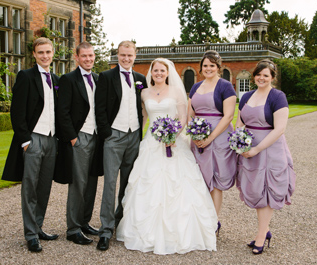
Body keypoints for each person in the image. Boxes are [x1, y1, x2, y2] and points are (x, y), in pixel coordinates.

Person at [115, 58, 217, 255]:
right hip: (151, 144)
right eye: (156, 71)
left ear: (168, 72)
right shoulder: (144, 93)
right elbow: (143, 116)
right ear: (151, 73)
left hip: (173, 143)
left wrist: (173, 136)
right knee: (146, 184)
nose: (159, 73)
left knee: (178, 186)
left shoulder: (177, 91)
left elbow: (183, 118)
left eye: (162, 70)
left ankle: (181, 231)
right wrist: (140, 138)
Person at [2, 37, 60, 252]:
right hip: (33, 138)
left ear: (52, 53)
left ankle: (38, 226)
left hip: (52, 140)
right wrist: (26, 141)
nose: (45, 56)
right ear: (34, 54)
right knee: (30, 188)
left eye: (48, 52)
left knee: (44, 187)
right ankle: (30, 234)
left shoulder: (55, 78)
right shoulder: (25, 76)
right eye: (41, 52)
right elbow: (16, 112)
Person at [236, 59, 297, 254]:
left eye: (266, 75)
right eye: (258, 74)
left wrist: (257, 149)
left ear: (272, 77)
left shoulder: (277, 97)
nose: (261, 78)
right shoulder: (246, 97)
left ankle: (261, 235)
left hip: (270, 149)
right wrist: (240, 143)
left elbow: (280, 128)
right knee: (255, 190)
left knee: (267, 190)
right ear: (254, 76)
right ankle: (266, 230)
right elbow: (239, 124)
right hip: (249, 148)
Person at [94, 40, 148, 251]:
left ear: (135, 56)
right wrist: (107, 134)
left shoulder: (140, 79)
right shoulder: (106, 77)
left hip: (134, 136)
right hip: (113, 137)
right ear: (118, 55)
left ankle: (121, 223)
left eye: (130, 55)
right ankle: (105, 230)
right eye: (122, 55)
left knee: (128, 182)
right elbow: (99, 108)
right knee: (109, 184)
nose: (126, 58)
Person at [55, 42, 102, 245]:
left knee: (92, 181)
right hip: (79, 137)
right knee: (78, 183)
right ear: (77, 57)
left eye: (91, 56)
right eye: (84, 56)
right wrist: (73, 137)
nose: (88, 59)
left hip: (96, 136)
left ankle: (84, 222)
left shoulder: (99, 79)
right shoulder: (68, 79)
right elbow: (62, 111)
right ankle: (73, 229)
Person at [187, 50, 238, 234]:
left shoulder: (225, 86)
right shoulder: (195, 87)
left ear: (218, 67)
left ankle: (213, 221)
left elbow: (228, 116)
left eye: (212, 65)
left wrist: (209, 138)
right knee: (200, 178)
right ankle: (202, 217)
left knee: (215, 179)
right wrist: (194, 135)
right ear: (201, 68)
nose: (208, 68)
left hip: (219, 138)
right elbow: (190, 113)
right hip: (198, 138)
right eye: (205, 65)